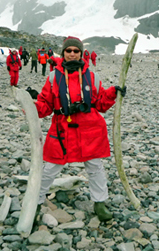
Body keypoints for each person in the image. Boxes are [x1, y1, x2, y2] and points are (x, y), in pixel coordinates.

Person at [33, 36, 127, 222]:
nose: (73, 54)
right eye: (69, 51)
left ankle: (100, 203)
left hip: (89, 129)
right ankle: (35, 202)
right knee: (51, 167)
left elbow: (100, 104)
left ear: (81, 53)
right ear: (64, 52)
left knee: (95, 167)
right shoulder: (53, 78)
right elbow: (45, 106)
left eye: (76, 51)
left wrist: (112, 93)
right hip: (62, 130)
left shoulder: (92, 77)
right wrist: (30, 103)